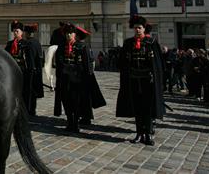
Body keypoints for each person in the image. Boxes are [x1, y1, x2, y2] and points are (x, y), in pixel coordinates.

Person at [116, 15, 165, 146]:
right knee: (137, 108)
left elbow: (158, 64)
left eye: (140, 28)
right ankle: (139, 133)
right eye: (136, 28)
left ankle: (148, 134)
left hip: (148, 81)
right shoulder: (128, 43)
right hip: (133, 80)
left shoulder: (152, 43)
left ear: (144, 29)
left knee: (147, 108)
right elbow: (121, 62)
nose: (137, 30)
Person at [53, 22, 106, 132]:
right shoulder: (61, 47)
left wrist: (85, 79)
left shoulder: (82, 46)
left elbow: (87, 65)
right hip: (65, 79)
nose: (69, 35)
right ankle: (69, 121)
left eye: (71, 33)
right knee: (66, 101)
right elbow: (58, 64)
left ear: (75, 34)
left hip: (78, 80)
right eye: (67, 33)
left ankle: (76, 123)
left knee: (76, 102)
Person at [22, 24, 44, 116]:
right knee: (33, 93)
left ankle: (29, 110)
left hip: (30, 71)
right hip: (37, 70)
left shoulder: (29, 43)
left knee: (28, 92)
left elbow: (30, 59)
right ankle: (32, 110)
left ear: (26, 33)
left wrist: (28, 70)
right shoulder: (37, 42)